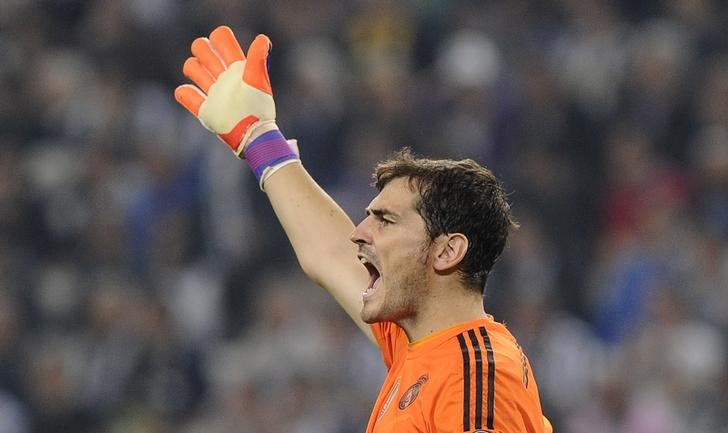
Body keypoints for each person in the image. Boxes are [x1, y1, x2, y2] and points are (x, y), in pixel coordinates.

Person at [175, 26, 552, 433]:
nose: (359, 232)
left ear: (446, 252)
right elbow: (331, 254)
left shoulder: (476, 375)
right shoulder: (419, 346)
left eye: (386, 220)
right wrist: (259, 137)